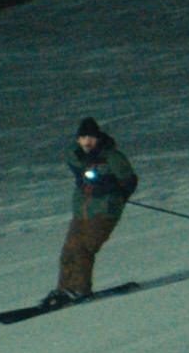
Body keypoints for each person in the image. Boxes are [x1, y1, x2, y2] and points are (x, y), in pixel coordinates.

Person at [51, 116, 137, 304]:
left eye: (91, 137)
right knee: (69, 251)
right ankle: (63, 289)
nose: (87, 142)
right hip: (81, 212)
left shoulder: (112, 157)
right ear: (78, 139)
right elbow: (79, 173)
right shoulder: (76, 156)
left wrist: (112, 192)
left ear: (98, 138)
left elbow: (130, 181)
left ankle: (79, 289)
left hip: (104, 212)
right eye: (83, 138)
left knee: (84, 249)